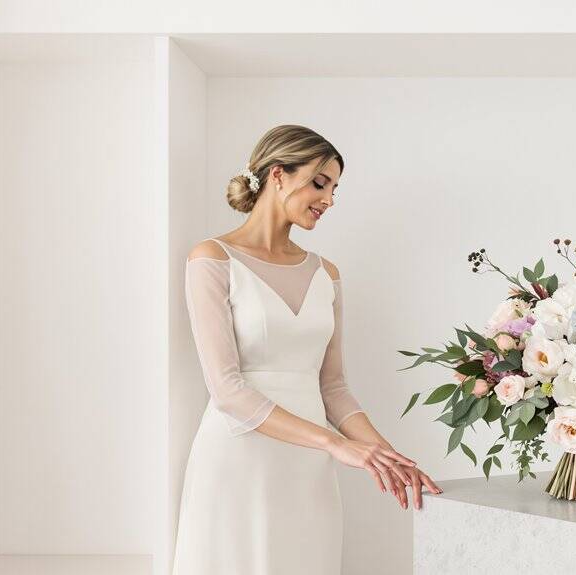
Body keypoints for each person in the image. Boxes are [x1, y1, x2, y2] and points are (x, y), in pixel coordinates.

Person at [173, 124, 441, 574]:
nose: (329, 199)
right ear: (278, 174)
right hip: (238, 458)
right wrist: (335, 444)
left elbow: (333, 388)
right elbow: (226, 390)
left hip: (308, 471)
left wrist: (387, 456)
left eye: (335, 189)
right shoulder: (212, 258)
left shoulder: (325, 273)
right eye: (320, 183)